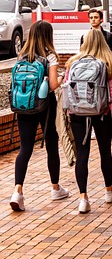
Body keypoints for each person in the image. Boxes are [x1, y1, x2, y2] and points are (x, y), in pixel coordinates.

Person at [9, 21, 68, 212]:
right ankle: (55, 188)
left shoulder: (22, 56)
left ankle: (17, 192)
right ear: (48, 36)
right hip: (45, 106)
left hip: (23, 105)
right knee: (51, 145)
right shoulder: (49, 56)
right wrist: (62, 77)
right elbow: (52, 85)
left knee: (25, 149)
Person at [64, 29, 112, 213]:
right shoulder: (107, 63)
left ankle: (83, 199)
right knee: (105, 152)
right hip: (101, 113)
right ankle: (108, 191)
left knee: (82, 154)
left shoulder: (73, 63)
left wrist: (67, 113)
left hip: (77, 113)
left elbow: (66, 89)